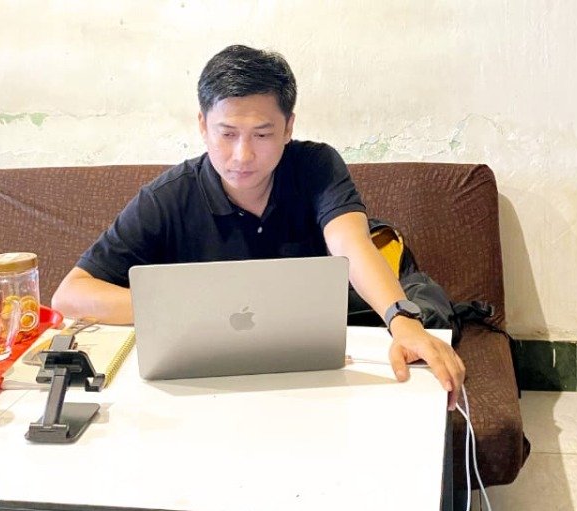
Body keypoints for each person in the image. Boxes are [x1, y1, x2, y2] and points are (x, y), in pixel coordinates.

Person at [51, 44, 465, 410]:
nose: (242, 155)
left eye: (262, 134)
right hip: (208, 386)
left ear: (288, 127)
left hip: (312, 374)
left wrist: (403, 321)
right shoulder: (167, 198)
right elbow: (71, 294)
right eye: (227, 134)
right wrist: (192, 311)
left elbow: (351, 243)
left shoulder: (316, 167)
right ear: (202, 125)